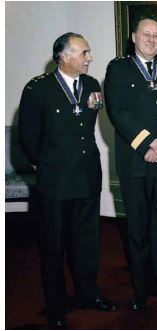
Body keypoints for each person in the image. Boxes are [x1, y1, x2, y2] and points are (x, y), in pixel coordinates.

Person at [18, 32, 118, 328]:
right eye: (85, 53)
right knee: (53, 246)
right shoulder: (38, 89)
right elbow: (28, 139)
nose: (90, 58)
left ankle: (88, 293)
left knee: (87, 244)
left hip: (87, 178)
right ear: (64, 56)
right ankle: (56, 305)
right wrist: (48, 166)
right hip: (56, 182)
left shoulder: (90, 85)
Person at [104, 16, 157, 311]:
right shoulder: (118, 68)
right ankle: (141, 287)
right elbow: (118, 112)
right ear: (133, 36)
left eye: (156, 35)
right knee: (137, 226)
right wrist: (149, 143)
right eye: (146, 34)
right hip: (135, 160)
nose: (151, 39)